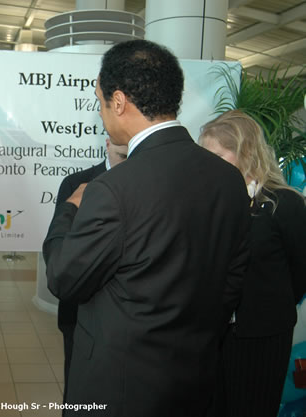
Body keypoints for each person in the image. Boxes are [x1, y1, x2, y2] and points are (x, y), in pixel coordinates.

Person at [42, 39, 251, 417]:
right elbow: (232, 279)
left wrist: (69, 211)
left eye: (100, 99)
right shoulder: (228, 179)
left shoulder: (113, 189)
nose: (102, 111)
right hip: (194, 377)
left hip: (119, 388)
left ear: (118, 101)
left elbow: (63, 278)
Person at [199, 110, 306, 417]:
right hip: (213, 332)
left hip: (262, 335)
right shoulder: (209, 201)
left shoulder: (285, 204)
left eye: (217, 155)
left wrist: (266, 303)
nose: (208, 164)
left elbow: (300, 273)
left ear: (246, 153)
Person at [51, 138, 127, 402]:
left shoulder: (148, 182)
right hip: (81, 308)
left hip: (127, 312)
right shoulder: (77, 184)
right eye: (121, 143)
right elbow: (61, 242)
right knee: (78, 389)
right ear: (107, 142)